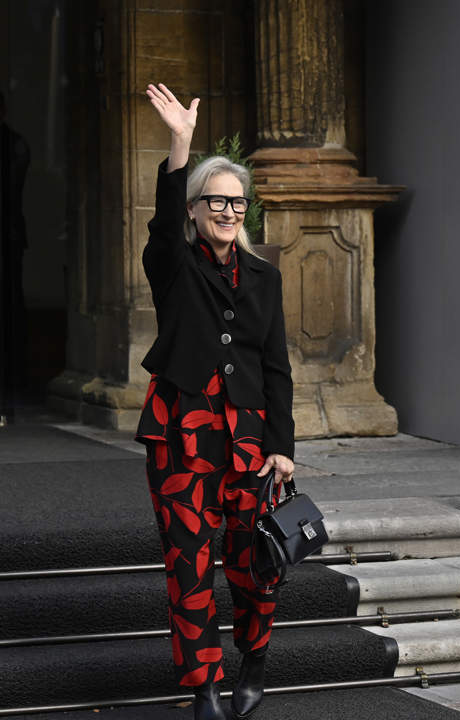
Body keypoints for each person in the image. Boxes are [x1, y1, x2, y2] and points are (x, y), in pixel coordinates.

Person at [139, 83, 295, 720]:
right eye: (217, 202)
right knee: (190, 564)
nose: (229, 212)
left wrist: (283, 448)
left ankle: (252, 661)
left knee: (254, 562)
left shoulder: (265, 277)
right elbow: (161, 220)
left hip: (250, 438)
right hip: (182, 432)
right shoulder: (174, 264)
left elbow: (276, 367)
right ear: (196, 209)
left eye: (238, 202)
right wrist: (180, 145)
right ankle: (203, 686)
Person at [0, 90, 30, 422]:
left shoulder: (15, 145)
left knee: (9, 314)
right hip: (10, 235)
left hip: (7, 237)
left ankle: (9, 395)